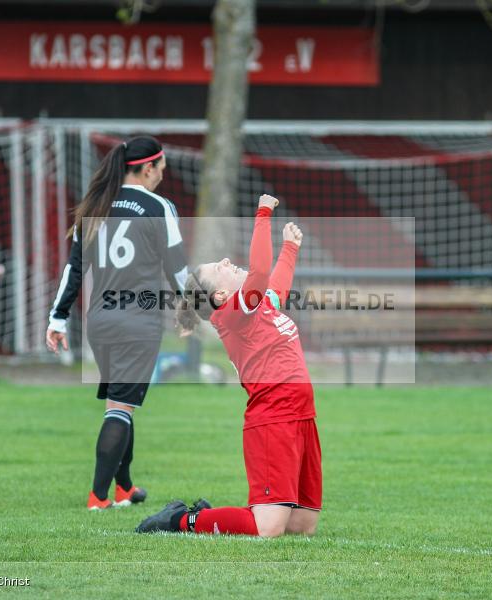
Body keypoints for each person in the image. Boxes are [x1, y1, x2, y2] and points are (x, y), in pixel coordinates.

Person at [137, 194, 321, 538]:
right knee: (268, 530)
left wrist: (290, 249)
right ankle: (182, 519)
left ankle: (211, 516)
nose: (225, 261)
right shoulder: (232, 314)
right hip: (274, 416)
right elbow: (261, 271)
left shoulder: (257, 306)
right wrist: (263, 214)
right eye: (218, 269)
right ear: (219, 297)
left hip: (302, 415)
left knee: (302, 526)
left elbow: (275, 285)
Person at [46, 136, 188, 511]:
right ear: (146, 168)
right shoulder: (159, 207)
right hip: (137, 321)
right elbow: (179, 270)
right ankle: (99, 496)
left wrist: (57, 318)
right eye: (160, 167)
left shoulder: (96, 205)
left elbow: (75, 270)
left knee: (121, 402)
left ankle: (124, 486)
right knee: (120, 409)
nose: (163, 173)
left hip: (101, 321)